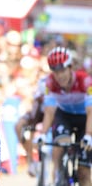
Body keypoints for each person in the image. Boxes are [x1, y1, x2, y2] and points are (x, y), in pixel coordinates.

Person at [36, 47, 92, 185]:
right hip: (64, 115)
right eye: (55, 71)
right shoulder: (49, 82)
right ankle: (59, 175)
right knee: (60, 142)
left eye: (62, 70)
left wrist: (89, 134)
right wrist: (43, 133)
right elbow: (49, 111)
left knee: (83, 171)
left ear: (70, 67)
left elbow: (91, 111)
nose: (59, 76)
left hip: (85, 118)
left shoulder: (85, 81)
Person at [14, 76, 46, 177]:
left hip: (51, 115)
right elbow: (33, 120)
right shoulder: (37, 98)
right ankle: (30, 159)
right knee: (19, 126)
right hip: (37, 115)